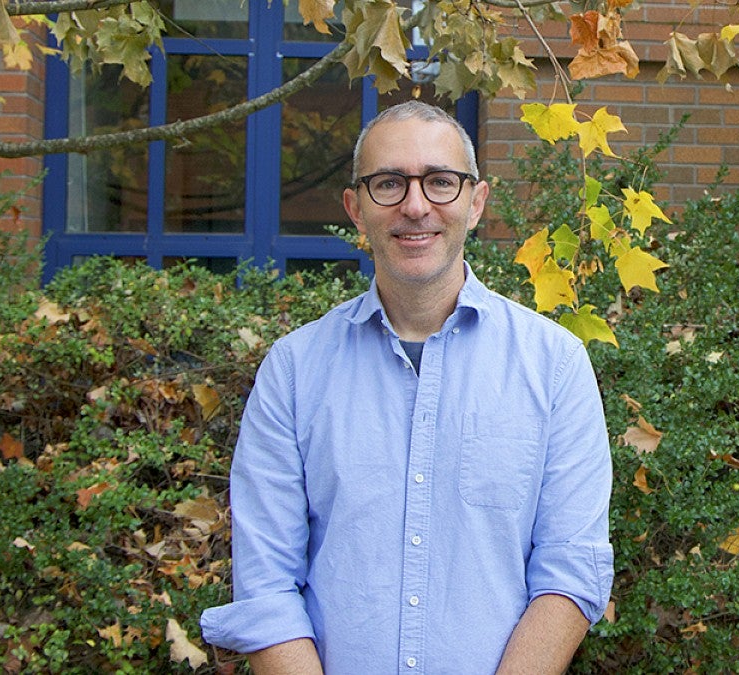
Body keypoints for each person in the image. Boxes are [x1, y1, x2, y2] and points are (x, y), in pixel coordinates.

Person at [200, 101, 613, 673]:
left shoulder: (555, 365)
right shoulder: (293, 372)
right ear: (356, 207)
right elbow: (266, 586)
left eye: (440, 182)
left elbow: (571, 570)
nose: (416, 206)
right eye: (389, 183)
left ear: (476, 203)